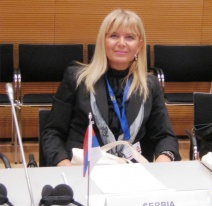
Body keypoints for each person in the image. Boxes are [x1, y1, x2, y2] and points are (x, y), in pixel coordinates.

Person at [42, 9, 181, 166]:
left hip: (133, 175)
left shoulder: (150, 85)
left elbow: (165, 137)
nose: (121, 43)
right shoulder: (77, 78)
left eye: (130, 37)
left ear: (139, 46)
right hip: (83, 173)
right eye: (114, 36)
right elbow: (52, 133)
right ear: (103, 41)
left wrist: (164, 159)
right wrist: (64, 165)